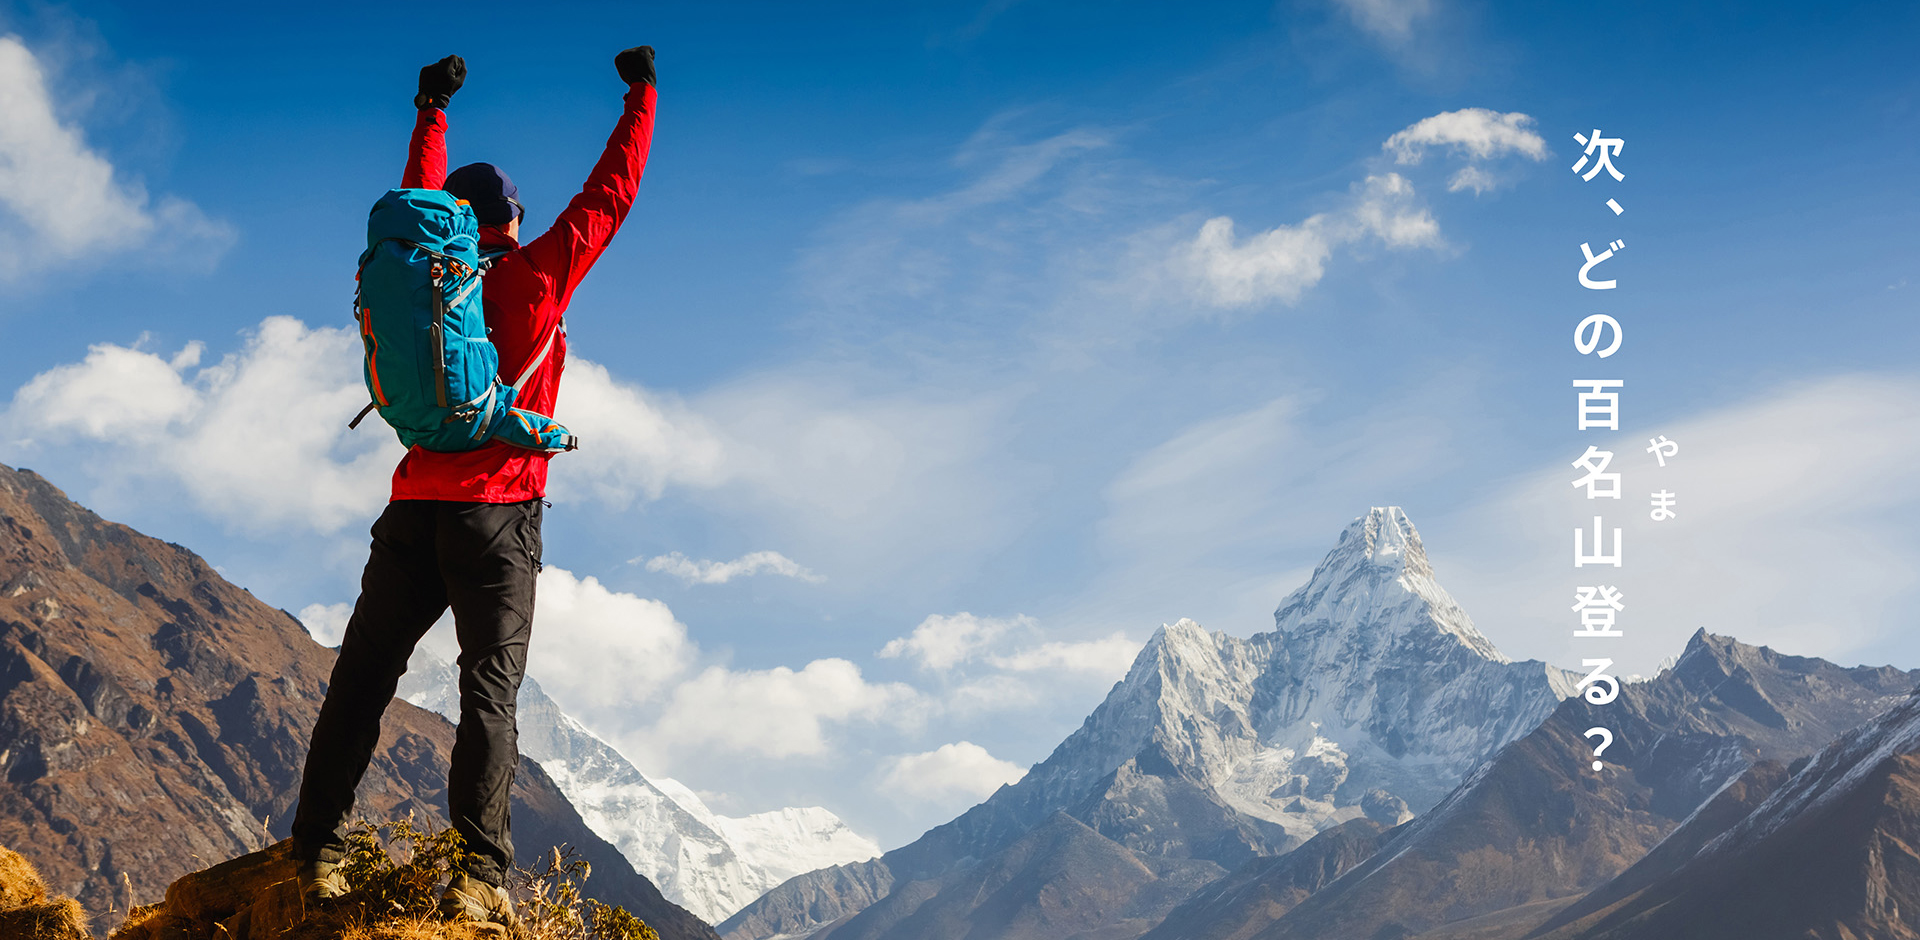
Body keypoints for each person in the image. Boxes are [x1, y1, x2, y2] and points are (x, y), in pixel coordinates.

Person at [290, 46, 658, 925]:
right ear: (511, 218)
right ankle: (478, 877)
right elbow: (612, 192)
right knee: (486, 693)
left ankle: (317, 849)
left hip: (412, 506)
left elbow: (416, 192)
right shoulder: (537, 275)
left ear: (451, 217)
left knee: (364, 678)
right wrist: (641, 95)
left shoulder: (424, 275)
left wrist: (430, 107)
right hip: (498, 518)